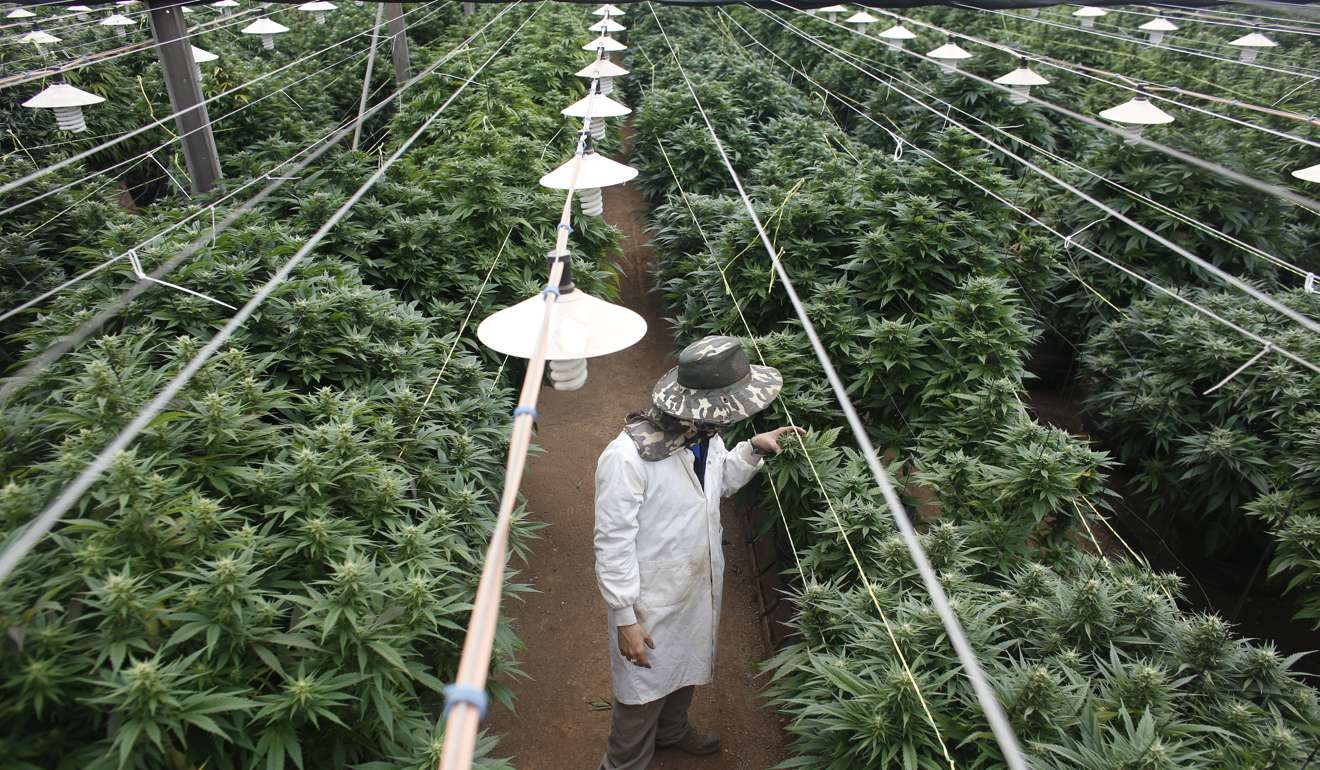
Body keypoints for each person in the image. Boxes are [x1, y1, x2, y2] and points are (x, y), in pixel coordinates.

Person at [593, 335, 802, 770]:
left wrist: (752, 448)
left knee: (685, 666)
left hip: (693, 584)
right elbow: (611, 545)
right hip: (649, 599)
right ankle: (624, 763)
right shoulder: (626, 459)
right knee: (640, 694)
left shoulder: (703, 436)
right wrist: (624, 620)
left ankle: (670, 732)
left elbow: (716, 485)